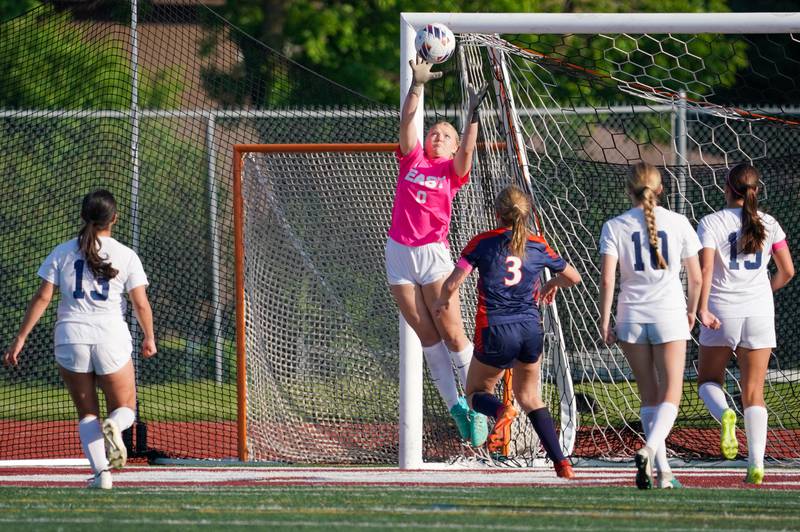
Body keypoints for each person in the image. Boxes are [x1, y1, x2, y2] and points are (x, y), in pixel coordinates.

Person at [3, 189, 156, 489]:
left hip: (70, 338)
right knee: (125, 409)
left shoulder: (62, 252)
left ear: (84, 215)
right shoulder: (126, 254)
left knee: (87, 413)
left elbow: (43, 297)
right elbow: (140, 303)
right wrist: (149, 337)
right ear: (114, 218)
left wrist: (20, 338)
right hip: (110, 336)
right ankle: (116, 425)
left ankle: (102, 476)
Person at [433, 185, 582, 478]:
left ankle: (501, 411)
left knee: (476, 392)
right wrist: (553, 284)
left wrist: (441, 302)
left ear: (497, 213)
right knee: (529, 396)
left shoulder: (482, 243)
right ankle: (561, 462)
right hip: (530, 329)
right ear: (526, 214)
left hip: (497, 330)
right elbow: (573, 277)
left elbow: (452, 283)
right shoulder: (538, 245)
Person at [386, 56, 489, 446]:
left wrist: (471, 118)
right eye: (435, 132)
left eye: (445, 135)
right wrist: (417, 85)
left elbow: (466, 152)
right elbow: (406, 124)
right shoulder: (411, 158)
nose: (437, 137)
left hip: (433, 256)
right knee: (426, 335)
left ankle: (478, 403)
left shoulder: (451, 172)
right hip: (398, 254)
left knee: (451, 333)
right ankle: (458, 410)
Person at [598, 162, 702, 490]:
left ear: (628, 190)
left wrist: (605, 319)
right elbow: (696, 278)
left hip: (631, 318)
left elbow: (607, 278)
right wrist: (692, 311)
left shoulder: (614, 226)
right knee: (671, 393)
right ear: (660, 190)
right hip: (669, 314)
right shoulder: (680, 222)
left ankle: (664, 471)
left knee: (648, 395)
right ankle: (651, 450)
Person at [695, 163, 794, 485]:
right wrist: (766, 290)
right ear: (756, 190)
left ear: (726, 186)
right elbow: (788, 271)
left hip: (721, 311)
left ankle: (725, 413)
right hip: (759, 313)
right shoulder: (770, 223)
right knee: (755, 392)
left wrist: (701, 307)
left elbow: (705, 270)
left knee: (709, 379)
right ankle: (756, 465)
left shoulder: (711, 222)